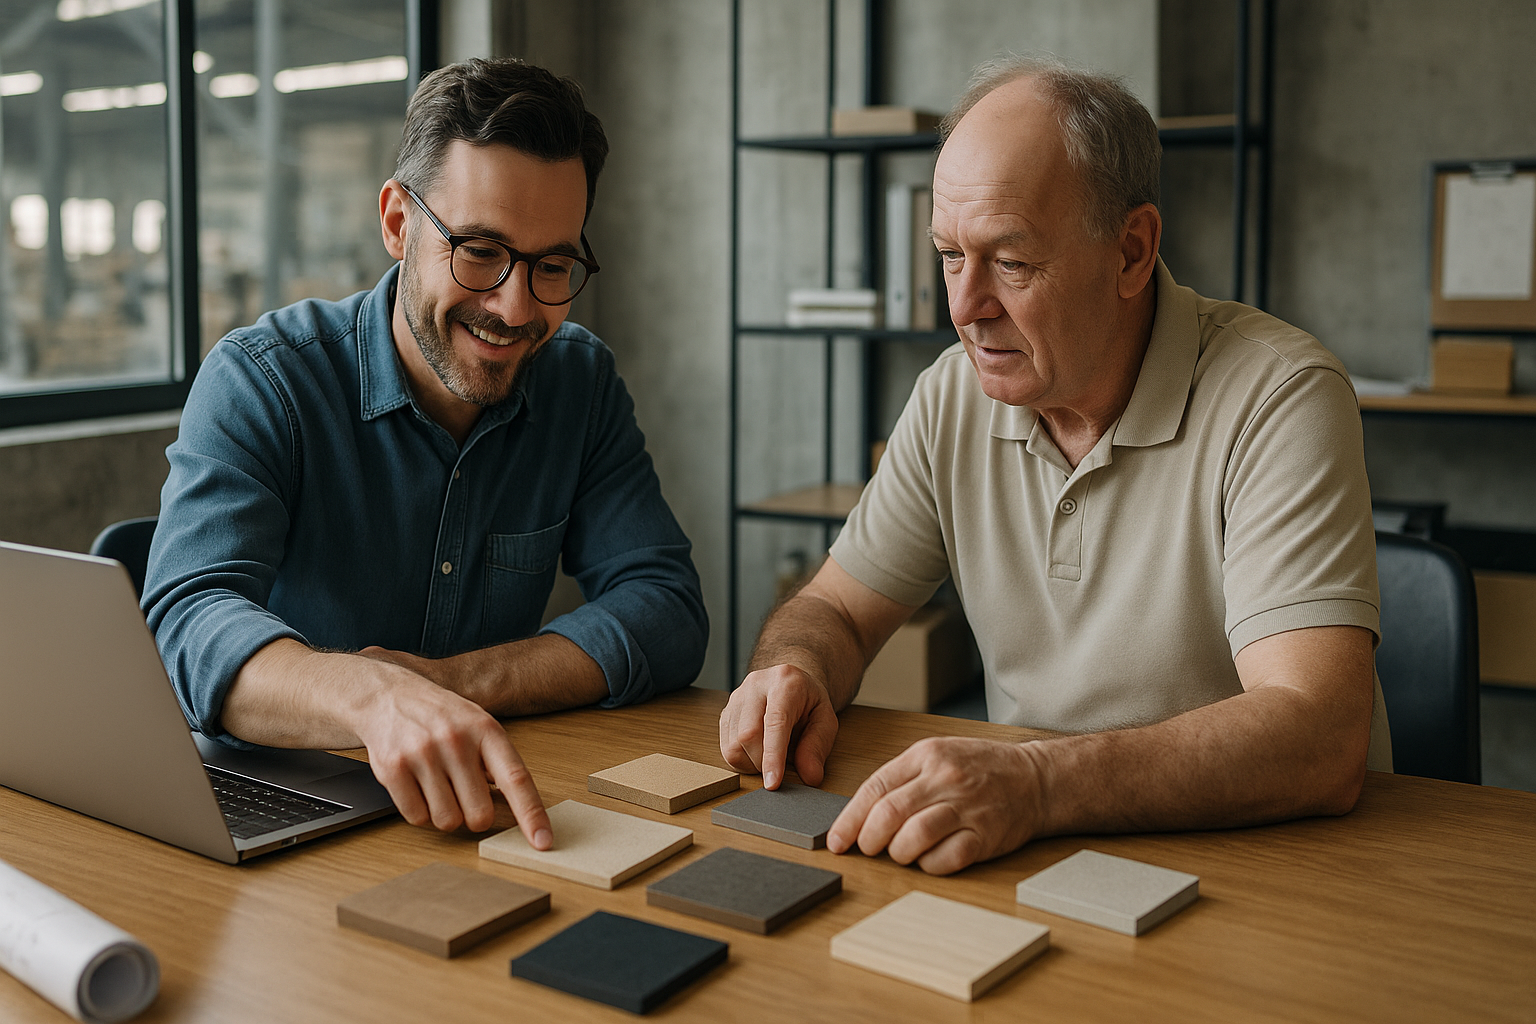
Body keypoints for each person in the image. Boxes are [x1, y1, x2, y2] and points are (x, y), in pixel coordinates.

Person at [719, 55, 1390, 875]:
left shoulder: (1280, 396)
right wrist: (793, 668)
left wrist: (1037, 783)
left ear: (1131, 251)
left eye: (1011, 263)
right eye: (949, 256)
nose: (964, 308)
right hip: (1028, 849)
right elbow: (837, 611)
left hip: (1270, 867)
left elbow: (1319, 734)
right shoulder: (952, 395)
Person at [144, 58, 707, 848]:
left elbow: (667, 608)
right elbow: (185, 624)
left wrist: (450, 684)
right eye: (479, 250)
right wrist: (372, 698)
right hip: (299, 810)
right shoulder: (263, 379)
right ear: (398, 223)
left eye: (553, 266)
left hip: (488, 801)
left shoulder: (579, 382)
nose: (515, 307)